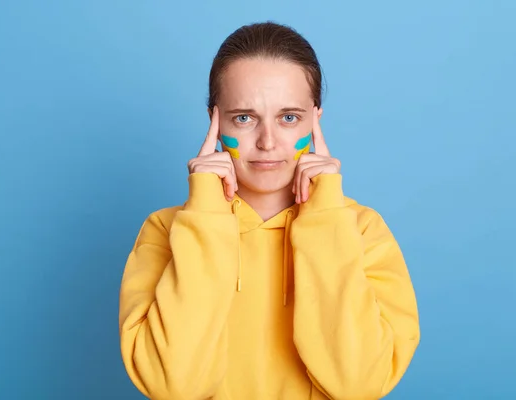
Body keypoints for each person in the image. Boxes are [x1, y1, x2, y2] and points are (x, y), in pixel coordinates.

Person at [118, 21, 420, 400]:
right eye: (244, 118)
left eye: (289, 118)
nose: (267, 141)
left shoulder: (360, 229)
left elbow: (358, 385)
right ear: (214, 120)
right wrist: (208, 215)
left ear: (315, 120)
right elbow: (174, 386)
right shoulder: (167, 230)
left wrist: (324, 215)